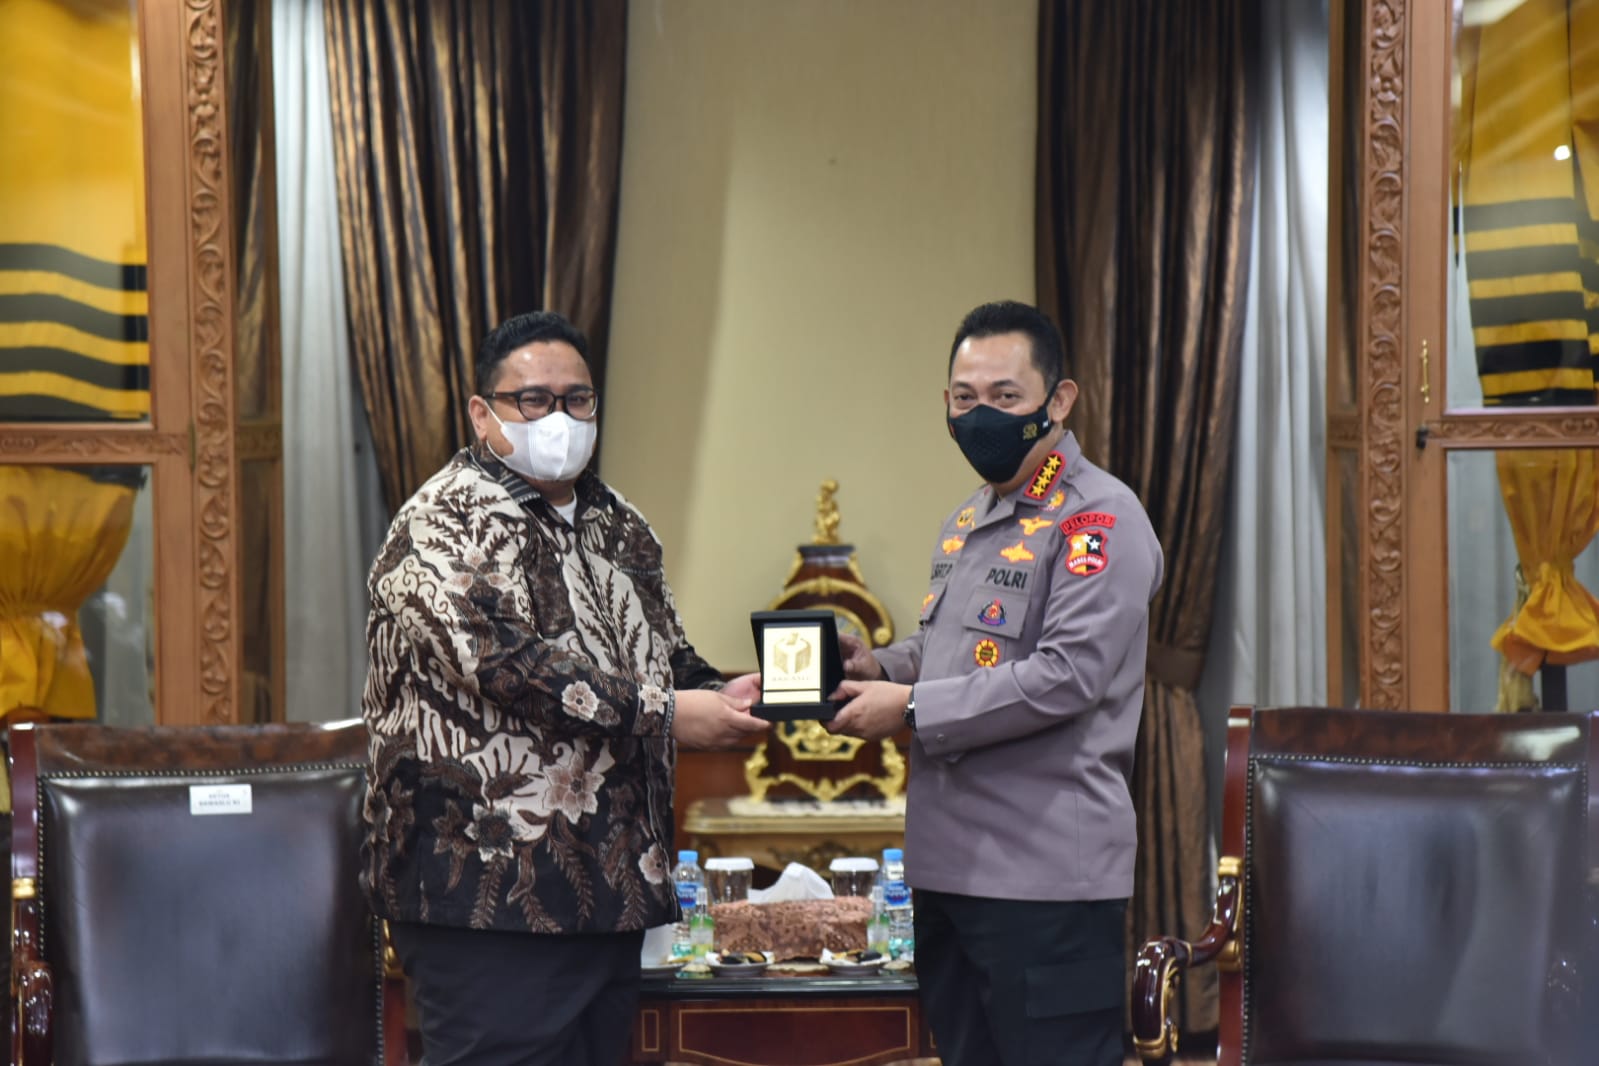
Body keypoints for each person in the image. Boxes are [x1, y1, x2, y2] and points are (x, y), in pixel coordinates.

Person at [360, 311, 769, 1066]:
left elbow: (663, 660)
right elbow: (508, 669)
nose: (560, 417)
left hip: (609, 889)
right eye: (533, 400)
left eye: (577, 399)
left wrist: (731, 693)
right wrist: (670, 713)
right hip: (487, 896)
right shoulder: (439, 523)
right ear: (483, 413)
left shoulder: (619, 523)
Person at [829, 300, 1162, 1066]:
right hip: (946, 869)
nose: (981, 415)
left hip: (1043, 881)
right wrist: (880, 665)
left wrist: (910, 705)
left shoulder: (1097, 519)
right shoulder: (972, 517)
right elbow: (958, 650)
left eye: (1005, 396)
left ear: (1059, 399)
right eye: (964, 397)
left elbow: (1066, 676)